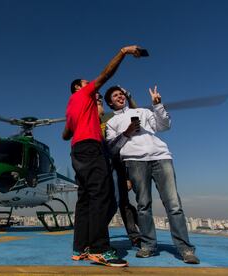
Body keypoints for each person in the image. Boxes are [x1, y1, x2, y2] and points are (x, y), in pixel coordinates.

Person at [62, 45, 143, 267]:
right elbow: (107, 74)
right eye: (87, 83)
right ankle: (100, 249)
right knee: (102, 195)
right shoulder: (83, 93)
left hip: (77, 151)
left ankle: (80, 248)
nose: (93, 86)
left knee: (85, 199)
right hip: (91, 148)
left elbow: (65, 134)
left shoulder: (72, 107)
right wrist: (123, 52)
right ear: (79, 87)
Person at [104, 85, 200, 264]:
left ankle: (185, 249)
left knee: (173, 205)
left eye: (122, 94)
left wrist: (158, 105)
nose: (120, 96)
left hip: (161, 158)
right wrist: (127, 133)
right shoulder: (111, 123)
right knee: (143, 205)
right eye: (116, 95)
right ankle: (148, 246)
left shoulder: (142, 111)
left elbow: (164, 126)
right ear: (110, 102)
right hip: (134, 162)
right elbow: (111, 148)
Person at [96, 90, 141, 247]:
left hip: (116, 164)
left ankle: (135, 236)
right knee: (107, 202)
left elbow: (136, 113)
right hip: (99, 167)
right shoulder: (87, 121)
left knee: (123, 202)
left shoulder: (110, 118)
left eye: (100, 101)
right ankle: (97, 235)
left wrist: (127, 176)